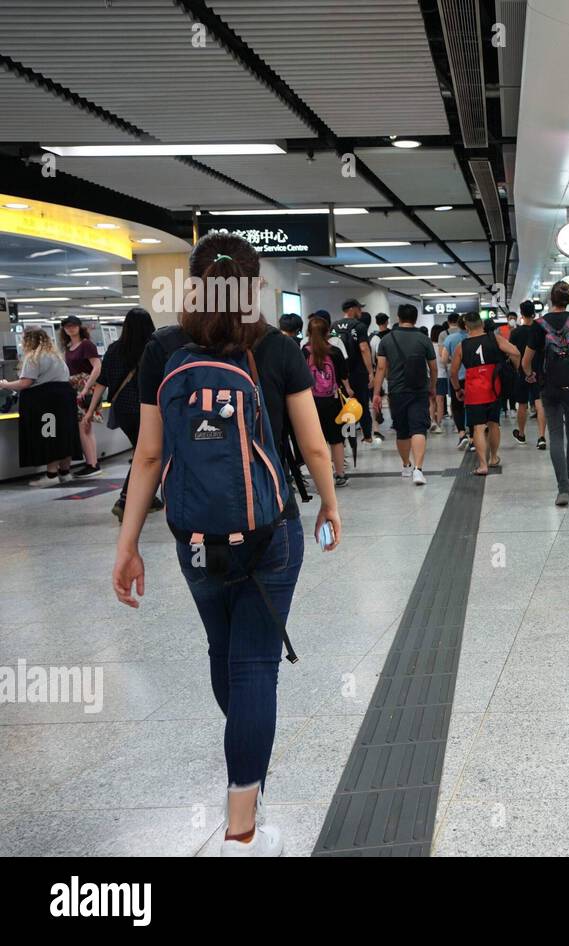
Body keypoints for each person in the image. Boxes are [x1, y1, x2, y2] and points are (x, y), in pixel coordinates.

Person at [113, 231, 342, 857]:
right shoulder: (278, 348)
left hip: (194, 534)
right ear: (254, 286)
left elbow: (149, 456)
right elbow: (315, 444)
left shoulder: (162, 350)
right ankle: (242, 824)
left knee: (225, 652)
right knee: (255, 666)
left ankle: (246, 770)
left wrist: (128, 542)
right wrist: (329, 502)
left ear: (191, 281)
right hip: (270, 531)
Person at [81, 307, 163, 520]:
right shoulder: (153, 348)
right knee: (146, 455)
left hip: (122, 410)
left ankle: (148, 498)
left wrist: (90, 411)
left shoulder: (114, 349)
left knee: (141, 451)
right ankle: (125, 499)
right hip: (147, 409)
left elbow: (102, 382)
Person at [523, 280, 569, 506]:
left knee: (556, 436)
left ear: (551, 299)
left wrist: (530, 375)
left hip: (549, 388)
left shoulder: (539, 324)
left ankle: (562, 490)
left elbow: (526, 361)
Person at [0, 329, 77, 487]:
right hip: (65, 399)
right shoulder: (57, 357)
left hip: (45, 401)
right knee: (64, 434)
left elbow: (25, 383)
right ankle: (65, 472)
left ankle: (51, 476)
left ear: (29, 340)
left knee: (49, 435)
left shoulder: (33, 357)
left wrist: (4, 384)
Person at [372, 304, 438, 486]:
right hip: (419, 390)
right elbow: (433, 368)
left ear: (398, 318)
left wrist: (376, 394)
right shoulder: (423, 339)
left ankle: (406, 465)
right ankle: (419, 469)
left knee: (402, 431)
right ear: (415, 319)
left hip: (397, 391)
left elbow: (381, 368)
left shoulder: (387, 340)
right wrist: (432, 387)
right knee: (418, 428)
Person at [451, 313, 521, 476]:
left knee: (478, 428)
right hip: (493, 387)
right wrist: (516, 369)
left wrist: (457, 390)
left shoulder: (462, 346)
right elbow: (516, 352)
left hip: (473, 390)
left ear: (466, 327)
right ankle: (494, 457)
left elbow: (453, 372)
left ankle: (483, 465)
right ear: (481, 324)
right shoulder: (494, 339)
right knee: (493, 424)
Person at [304, 313, 354, 488]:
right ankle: (340, 475)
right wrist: (348, 390)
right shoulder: (335, 351)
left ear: (308, 332)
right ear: (328, 333)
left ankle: (320, 478)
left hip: (310, 403)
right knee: (336, 439)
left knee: (316, 442)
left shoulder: (304, 351)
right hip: (333, 401)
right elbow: (344, 376)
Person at [60, 315, 104, 478]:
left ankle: (92, 463)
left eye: (73, 326)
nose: (71, 329)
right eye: (67, 327)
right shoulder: (69, 347)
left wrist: (86, 387)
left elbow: (97, 367)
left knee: (83, 426)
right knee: (85, 427)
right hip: (75, 387)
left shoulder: (86, 345)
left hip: (85, 387)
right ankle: (92, 462)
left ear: (79, 327)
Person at [333, 301, 378, 447]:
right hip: (358, 372)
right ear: (351, 309)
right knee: (362, 404)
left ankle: (346, 439)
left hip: (341, 373)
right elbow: (364, 348)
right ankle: (367, 437)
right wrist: (370, 372)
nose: (360, 311)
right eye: (359, 308)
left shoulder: (334, 326)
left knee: (345, 405)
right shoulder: (359, 326)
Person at [510, 300, 546, 448]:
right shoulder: (540, 330)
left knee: (522, 404)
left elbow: (512, 353)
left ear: (521, 313)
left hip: (521, 372)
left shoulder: (515, 332)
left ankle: (522, 434)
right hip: (539, 371)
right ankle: (542, 437)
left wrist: (518, 368)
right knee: (539, 403)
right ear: (534, 312)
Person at [442, 315, 469, 449]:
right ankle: (474, 437)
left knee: (457, 407)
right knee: (473, 407)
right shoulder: (475, 338)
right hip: (475, 379)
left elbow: (444, 359)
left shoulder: (450, 339)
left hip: (456, 378)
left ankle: (462, 434)